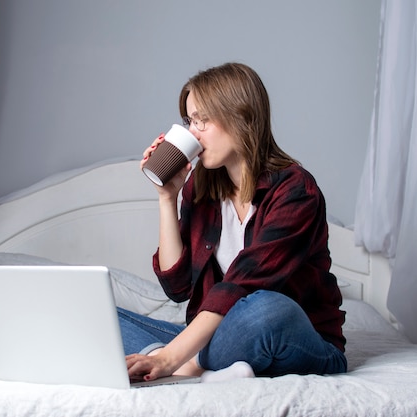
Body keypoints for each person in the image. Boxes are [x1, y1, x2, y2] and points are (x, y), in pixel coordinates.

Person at [120, 62, 346, 383]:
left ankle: (188, 364)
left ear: (242, 117)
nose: (192, 132)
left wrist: (171, 356)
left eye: (202, 120)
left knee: (265, 308)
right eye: (189, 120)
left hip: (290, 335)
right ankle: (206, 364)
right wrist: (167, 198)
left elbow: (242, 285)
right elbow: (178, 286)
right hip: (219, 335)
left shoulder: (295, 190)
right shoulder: (202, 185)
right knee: (107, 318)